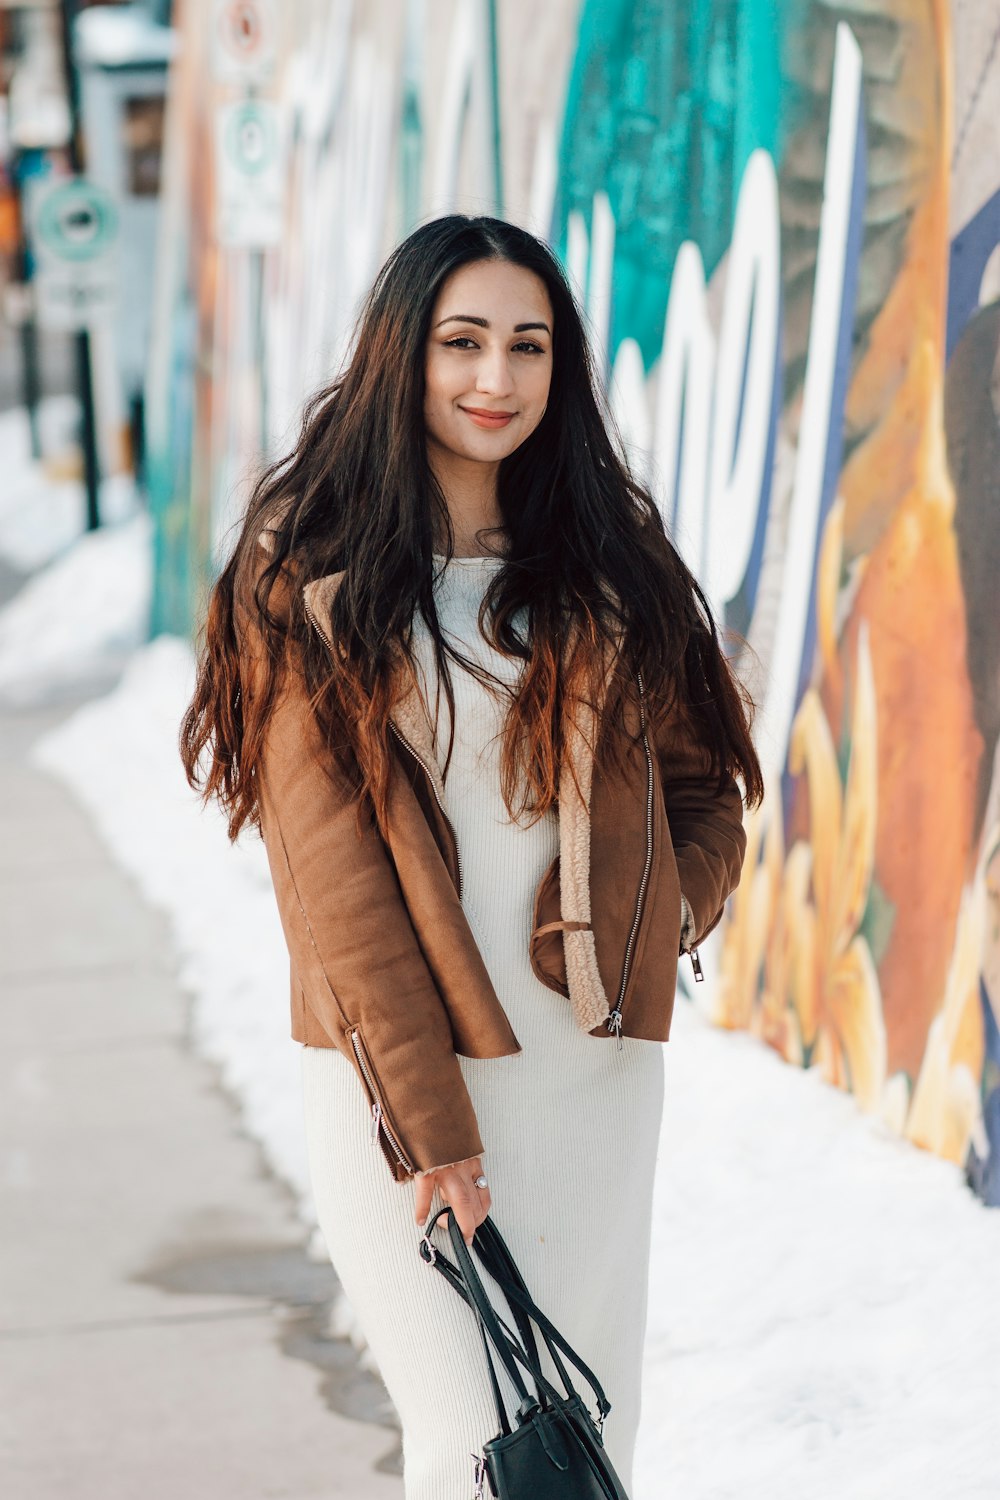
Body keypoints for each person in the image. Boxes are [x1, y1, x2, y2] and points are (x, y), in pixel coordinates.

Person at [180, 213, 763, 1498]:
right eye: (461, 343)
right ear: (403, 355)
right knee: (466, 1446)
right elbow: (336, 895)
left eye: (527, 346)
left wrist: (657, 914)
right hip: (402, 1086)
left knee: (586, 1447)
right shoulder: (308, 583)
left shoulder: (610, 573)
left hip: (591, 1081)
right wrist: (432, 1137)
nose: (495, 379)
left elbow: (702, 784)